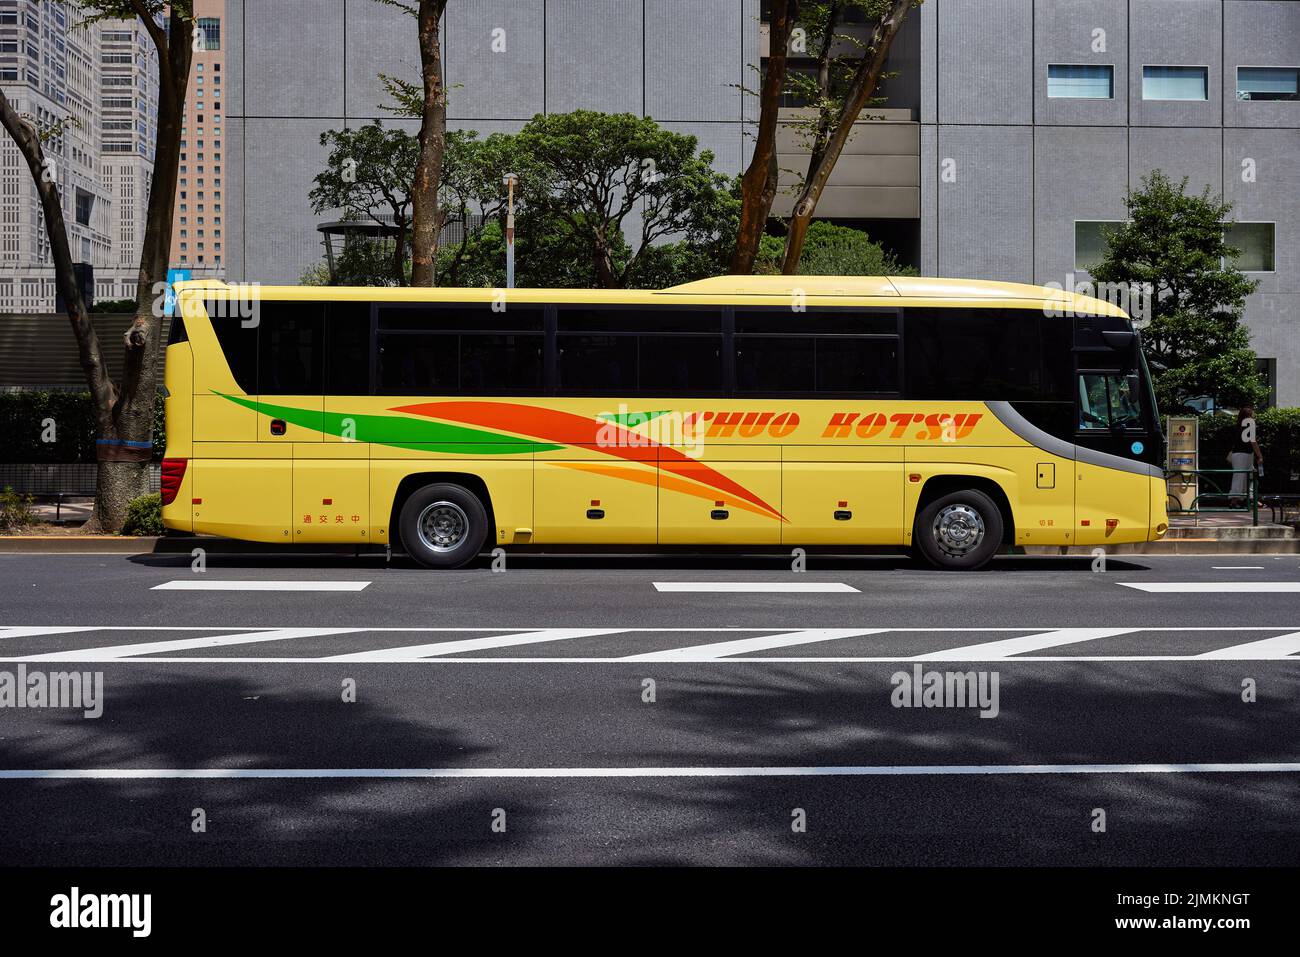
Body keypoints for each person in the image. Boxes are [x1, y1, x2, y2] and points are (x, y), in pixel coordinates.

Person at [1228, 405, 1263, 508]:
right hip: (1243, 454)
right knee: (1241, 477)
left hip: (1240, 454)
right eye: (1252, 415)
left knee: (1249, 476)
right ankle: (1234, 501)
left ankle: (1250, 499)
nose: (1254, 417)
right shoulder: (1250, 425)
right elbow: (1253, 441)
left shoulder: (1239, 425)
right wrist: (1260, 456)